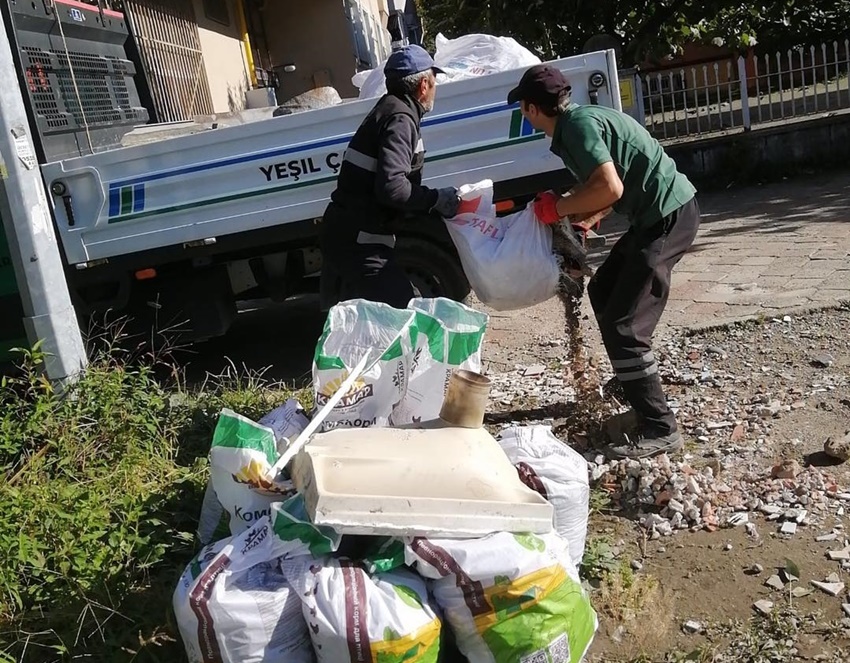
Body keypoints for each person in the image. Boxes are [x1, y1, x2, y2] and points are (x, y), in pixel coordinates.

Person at [507, 64, 701, 460]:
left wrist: (557, 209)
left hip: (668, 217)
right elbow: (607, 192)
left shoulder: (577, 128)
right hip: (655, 217)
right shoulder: (581, 121)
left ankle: (660, 426)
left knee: (624, 323)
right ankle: (633, 380)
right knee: (604, 287)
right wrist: (576, 219)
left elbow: (609, 187)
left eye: (522, 108)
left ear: (531, 108)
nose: (523, 116)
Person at [319, 45, 461, 310]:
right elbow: (392, 187)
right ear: (423, 85)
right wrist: (435, 199)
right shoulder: (400, 118)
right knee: (400, 314)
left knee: (377, 319)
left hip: (352, 235)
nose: (435, 89)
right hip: (359, 241)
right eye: (434, 82)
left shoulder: (392, 109)